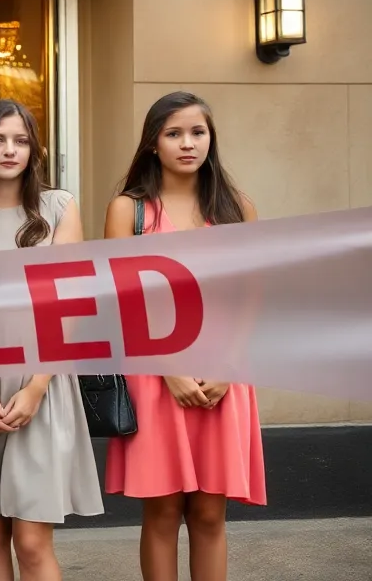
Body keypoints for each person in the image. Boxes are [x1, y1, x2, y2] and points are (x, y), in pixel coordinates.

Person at [0, 99, 103, 581]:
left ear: (35, 148)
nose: (10, 150)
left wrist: (36, 387)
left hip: (43, 380)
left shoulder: (59, 206)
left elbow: (73, 306)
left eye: (21, 140)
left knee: (32, 538)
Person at [104, 91, 265, 581]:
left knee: (211, 515)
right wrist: (168, 370)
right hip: (156, 379)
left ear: (211, 139)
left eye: (197, 132)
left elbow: (253, 298)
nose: (187, 143)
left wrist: (228, 366)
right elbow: (121, 302)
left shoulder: (237, 207)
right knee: (162, 514)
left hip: (225, 375)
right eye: (174, 133)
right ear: (153, 143)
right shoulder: (128, 210)